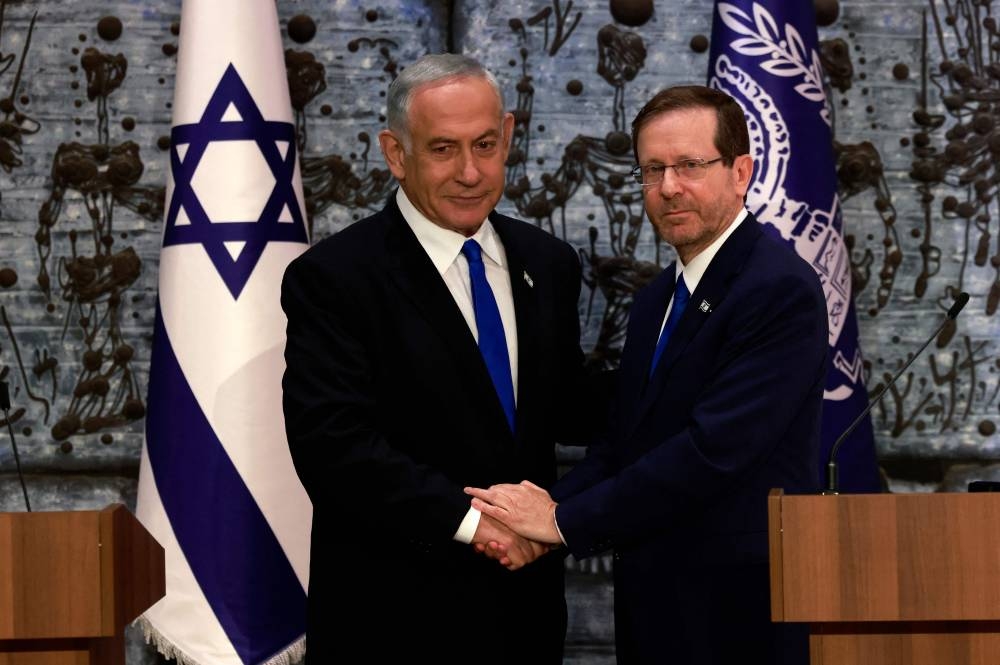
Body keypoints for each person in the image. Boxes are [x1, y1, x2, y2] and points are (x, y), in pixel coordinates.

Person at [466, 85, 828, 665]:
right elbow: (622, 444)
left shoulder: (778, 289)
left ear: (741, 171)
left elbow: (712, 451)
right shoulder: (658, 296)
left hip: (738, 612)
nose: (668, 188)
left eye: (689, 166)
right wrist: (541, 518)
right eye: (652, 169)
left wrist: (559, 522)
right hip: (655, 602)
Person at [280, 53, 591, 663]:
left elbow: (564, 409)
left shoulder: (548, 264)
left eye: (483, 144)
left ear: (507, 136)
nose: (471, 172)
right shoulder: (336, 277)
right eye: (443, 149)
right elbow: (333, 443)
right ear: (396, 153)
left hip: (525, 620)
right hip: (394, 622)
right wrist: (482, 526)